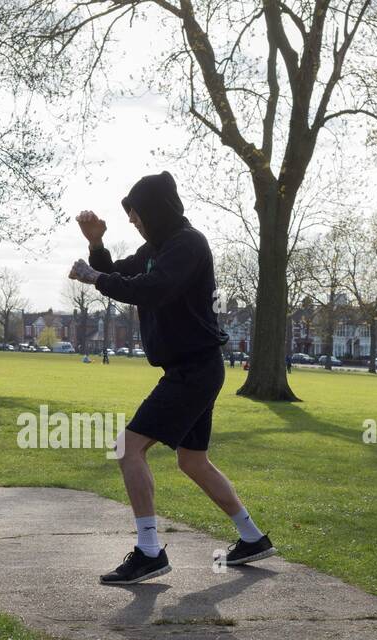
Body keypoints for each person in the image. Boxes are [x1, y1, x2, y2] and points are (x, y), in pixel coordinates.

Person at [70, 171, 274, 585]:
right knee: (192, 460)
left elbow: (151, 288)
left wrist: (95, 278)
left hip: (193, 368)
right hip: (195, 367)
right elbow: (123, 275)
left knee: (127, 448)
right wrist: (96, 246)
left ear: (158, 210)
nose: (133, 220)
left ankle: (149, 551)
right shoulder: (158, 247)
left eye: (138, 212)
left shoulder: (188, 244)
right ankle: (251, 538)